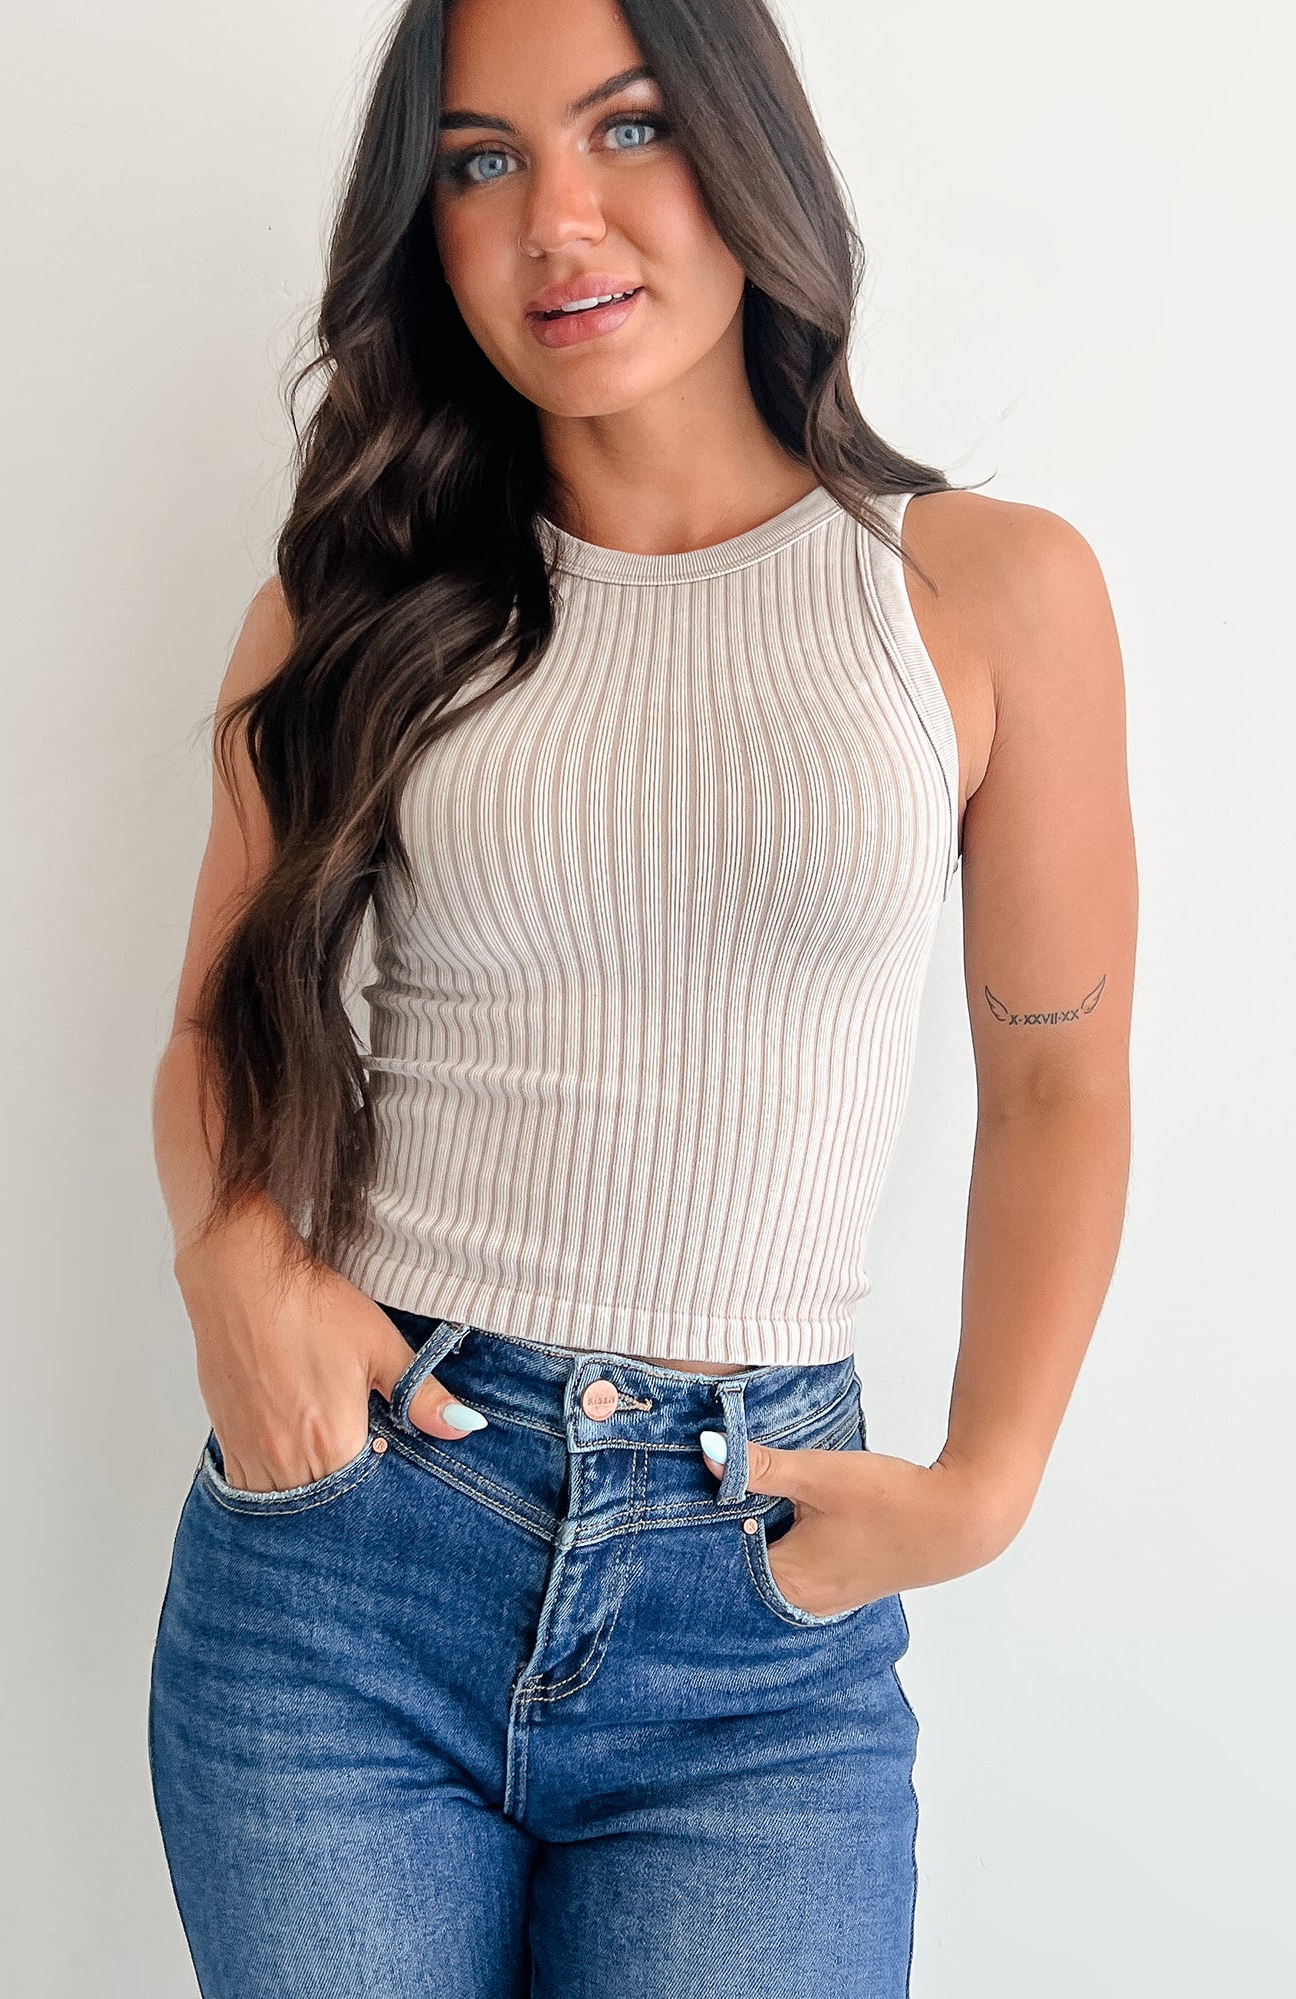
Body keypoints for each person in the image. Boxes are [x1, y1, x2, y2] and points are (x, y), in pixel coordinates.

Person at [147, 0, 1137, 1992]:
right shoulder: (350, 603)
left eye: (629, 129)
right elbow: (217, 1029)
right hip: (354, 1556)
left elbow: (1058, 1083)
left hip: (753, 1602)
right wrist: (234, 1266)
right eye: (481, 161)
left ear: (749, 145)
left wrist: (986, 1483)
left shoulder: (981, 593)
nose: (558, 223)